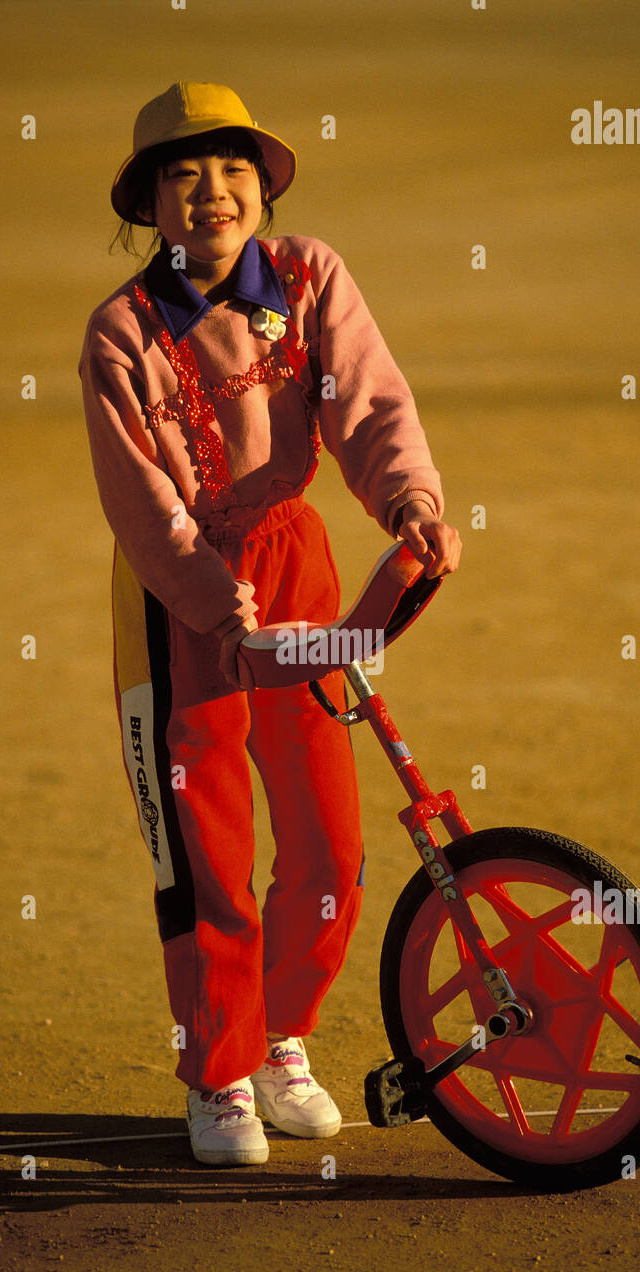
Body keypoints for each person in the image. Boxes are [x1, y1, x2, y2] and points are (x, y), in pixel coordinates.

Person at [79, 81, 461, 1166]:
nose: (213, 192)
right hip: (178, 586)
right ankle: (216, 1068)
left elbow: (370, 405)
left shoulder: (306, 276)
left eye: (234, 168)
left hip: (294, 554)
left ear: (262, 184)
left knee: (328, 834)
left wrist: (410, 504)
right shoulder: (120, 332)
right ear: (149, 198)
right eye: (184, 172)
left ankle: (280, 1034)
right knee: (208, 845)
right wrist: (211, 605)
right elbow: (139, 499)